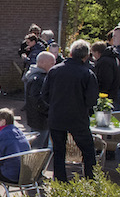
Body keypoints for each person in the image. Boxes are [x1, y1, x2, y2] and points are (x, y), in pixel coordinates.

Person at [42, 40, 99, 181]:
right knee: (88, 151)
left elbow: (44, 94)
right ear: (86, 56)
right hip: (78, 118)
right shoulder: (87, 74)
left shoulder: (54, 71)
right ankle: (91, 180)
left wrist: (55, 105)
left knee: (59, 151)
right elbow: (92, 100)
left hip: (57, 117)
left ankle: (60, 182)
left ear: (71, 53)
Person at [22, 52, 55, 149]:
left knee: (41, 146)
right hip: (40, 119)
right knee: (38, 148)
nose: (53, 66)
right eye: (51, 63)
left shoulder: (37, 76)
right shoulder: (38, 79)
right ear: (43, 63)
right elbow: (36, 99)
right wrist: (49, 111)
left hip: (39, 118)